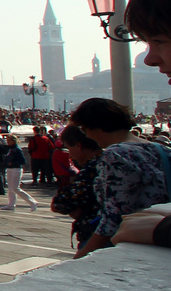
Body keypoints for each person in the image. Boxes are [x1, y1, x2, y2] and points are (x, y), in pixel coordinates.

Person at [71, 97, 171, 258]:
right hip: (158, 232)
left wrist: (84, 253)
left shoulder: (115, 154)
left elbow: (115, 215)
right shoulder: (160, 149)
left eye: (85, 129)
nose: (87, 136)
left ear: (97, 127)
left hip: (133, 239)